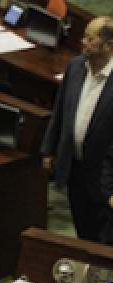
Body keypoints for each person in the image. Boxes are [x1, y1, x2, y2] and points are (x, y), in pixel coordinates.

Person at [43, 16, 113, 243]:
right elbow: (60, 110)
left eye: (90, 39)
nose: (83, 42)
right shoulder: (75, 67)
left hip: (104, 176)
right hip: (75, 168)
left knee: (105, 239)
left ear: (109, 46)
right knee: (83, 230)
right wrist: (49, 149)